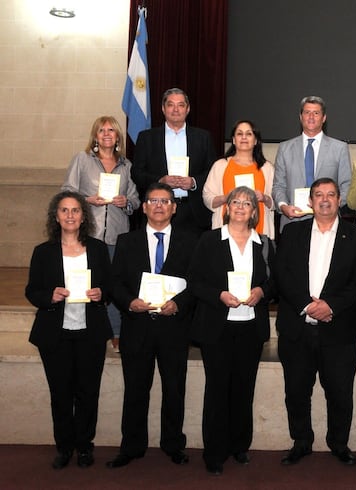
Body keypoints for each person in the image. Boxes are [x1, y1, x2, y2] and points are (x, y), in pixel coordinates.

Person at [273, 178, 356, 467]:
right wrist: (307, 304)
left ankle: (338, 443)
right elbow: (282, 275)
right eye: (318, 195)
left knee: (340, 392)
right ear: (310, 201)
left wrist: (331, 306)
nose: (325, 199)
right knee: (297, 391)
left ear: (340, 200)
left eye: (330, 194)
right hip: (297, 328)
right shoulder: (292, 233)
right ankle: (301, 441)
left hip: (339, 330)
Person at [106, 182, 197, 469]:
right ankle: (131, 446)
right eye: (153, 201)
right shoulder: (126, 241)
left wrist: (179, 303)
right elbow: (115, 283)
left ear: (174, 207)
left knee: (174, 389)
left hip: (174, 327)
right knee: (135, 389)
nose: (159, 206)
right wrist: (129, 302)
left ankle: (173, 444)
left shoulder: (191, 241)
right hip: (137, 325)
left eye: (165, 201)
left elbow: (197, 283)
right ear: (144, 207)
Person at [188, 186, 275, 475]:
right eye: (235, 202)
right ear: (226, 208)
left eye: (246, 203)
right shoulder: (209, 240)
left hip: (251, 327)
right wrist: (219, 296)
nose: (240, 206)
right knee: (217, 389)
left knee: (243, 389)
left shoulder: (263, 243)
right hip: (217, 327)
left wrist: (261, 291)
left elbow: (274, 283)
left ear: (254, 211)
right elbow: (195, 281)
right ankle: (215, 451)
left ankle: (239, 446)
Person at [25, 191, 112, 469]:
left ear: (84, 216)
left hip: (91, 332)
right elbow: (32, 291)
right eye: (64, 210)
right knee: (60, 393)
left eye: (75, 210)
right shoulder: (43, 251)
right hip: (55, 333)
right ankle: (64, 447)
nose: (70, 215)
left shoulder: (97, 249)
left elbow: (110, 286)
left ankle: (85, 446)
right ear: (56, 216)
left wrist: (101, 293)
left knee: (88, 392)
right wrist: (49, 296)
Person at [61, 115, 141, 351]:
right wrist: (88, 200)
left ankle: (116, 332)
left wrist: (125, 201)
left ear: (118, 136)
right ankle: (90, 332)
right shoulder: (82, 160)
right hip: (88, 236)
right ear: (95, 136)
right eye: (101, 130)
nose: (107, 134)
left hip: (118, 236)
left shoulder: (127, 166)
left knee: (114, 286)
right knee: (89, 285)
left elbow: (136, 200)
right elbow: (66, 191)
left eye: (111, 130)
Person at [132, 87, 217, 236]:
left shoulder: (203, 137)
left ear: (188, 109)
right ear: (163, 109)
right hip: (159, 210)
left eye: (181, 105)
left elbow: (212, 172)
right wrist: (160, 181)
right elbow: (136, 173)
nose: (176, 109)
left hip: (193, 212)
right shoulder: (147, 138)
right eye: (171, 105)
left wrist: (194, 182)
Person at [272, 95, 352, 230]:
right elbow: (278, 186)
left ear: (324, 118)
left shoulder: (339, 148)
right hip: (293, 222)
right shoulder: (285, 148)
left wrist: (331, 205)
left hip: (328, 222)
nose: (311, 117)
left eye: (316, 113)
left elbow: (346, 185)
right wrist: (283, 206)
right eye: (307, 112)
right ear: (300, 117)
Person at [203, 120, 276, 238]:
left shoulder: (267, 168)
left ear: (256, 140)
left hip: (260, 231)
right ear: (233, 140)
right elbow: (207, 198)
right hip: (226, 232)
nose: (244, 137)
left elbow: (275, 202)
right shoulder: (220, 165)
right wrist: (226, 198)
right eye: (239, 134)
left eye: (249, 134)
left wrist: (264, 198)